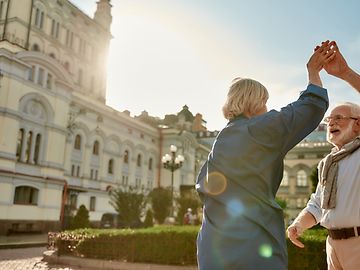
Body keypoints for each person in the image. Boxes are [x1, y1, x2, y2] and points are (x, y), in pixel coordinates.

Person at [195, 41, 335, 270]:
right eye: (265, 102)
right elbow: (310, 106)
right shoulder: (258, 129)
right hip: (252, 240)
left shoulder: (221, 141)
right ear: (255, 102)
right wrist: (313, 73)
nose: (268, 108)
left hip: (213, 244)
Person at [287, 102, 360, 270]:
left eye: (339, 118)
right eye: (329, 119)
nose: (331, 123)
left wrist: (346, 74)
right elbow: (318, 205)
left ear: (358, 124)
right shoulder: (328, 163)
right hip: (333, 244)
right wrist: (298, 224)